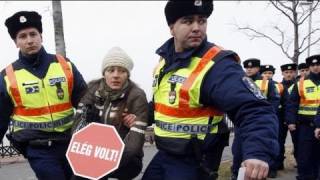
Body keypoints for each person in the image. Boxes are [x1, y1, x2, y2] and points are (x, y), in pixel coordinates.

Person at [142, 1, 279, 180]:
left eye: (202, 21)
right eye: (188, 21)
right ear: (172, 28)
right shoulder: (164, 64)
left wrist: (257, 153)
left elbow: (255, 109)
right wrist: (136, 116)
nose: (197, 27)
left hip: (196, 161)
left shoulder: (218, 65)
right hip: (166, 154)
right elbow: (162, 105)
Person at [0, 11, 87, 180]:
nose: (29, 40)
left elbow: (85, 100)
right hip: (37, 147)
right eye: (22, 36)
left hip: (71, 142)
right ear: (16, 42)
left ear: (41, 36)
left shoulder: (65, 65)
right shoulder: (6, 76)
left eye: (33, 34)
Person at [71, 47, 148, 180]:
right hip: (94, 154)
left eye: (122, 71)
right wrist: (89, 122)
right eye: (111, 70)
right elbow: (76, 131)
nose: (116, 75)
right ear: (104, 73)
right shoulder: (92, 89)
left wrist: (106, 163)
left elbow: (134, 145)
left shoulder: (137, 95)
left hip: (127, 159)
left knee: (95, 175)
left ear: (128, 74)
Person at [232, 59, 280, 178]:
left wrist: (266, 117)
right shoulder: (239, 81)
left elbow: (274, 101)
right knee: (238, 151)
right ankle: (236, 173)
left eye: (252, 67)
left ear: (258, 69)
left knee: (258, 150)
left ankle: (256, 175)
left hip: (259, 122)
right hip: (241, 123)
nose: (248, 69)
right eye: (247, 67)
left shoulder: (267, 83)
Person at [286, 54, 320, 179]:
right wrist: (291, 121)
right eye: (313, 65)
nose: (316, 67)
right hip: (305, 126)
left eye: (318, 64)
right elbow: (292, 104)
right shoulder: (301, 84)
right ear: (309, 67)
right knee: (304, 155)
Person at [278, 63, 298, 170]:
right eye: (286, 72)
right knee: (279, 141)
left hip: (295, 119)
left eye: (291, 72)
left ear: (295, 72)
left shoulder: (299, 85)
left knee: (297, 141)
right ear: (282, 73)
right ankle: (279, 163)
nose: (289, 74)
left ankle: (300, 162)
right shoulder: (278, 86)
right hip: (281, 118)